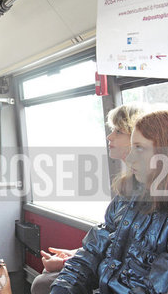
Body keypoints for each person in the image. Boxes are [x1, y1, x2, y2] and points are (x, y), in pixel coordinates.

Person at [50, 109, 168, 293]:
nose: (129, 158)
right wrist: (63, 288)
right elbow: (92, 251)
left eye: (139, 148)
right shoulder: (126, 198)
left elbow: (154, 288)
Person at [31, 103, 147, 294]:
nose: (110, 137)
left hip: (120, 280)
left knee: (43, 283)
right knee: (44, 281)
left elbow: (132, 256)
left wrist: (70, 261)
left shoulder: (155, 198)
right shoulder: (127, 188)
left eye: (118, 131)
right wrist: (75, 255)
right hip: (110, 272)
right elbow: (112, 236)